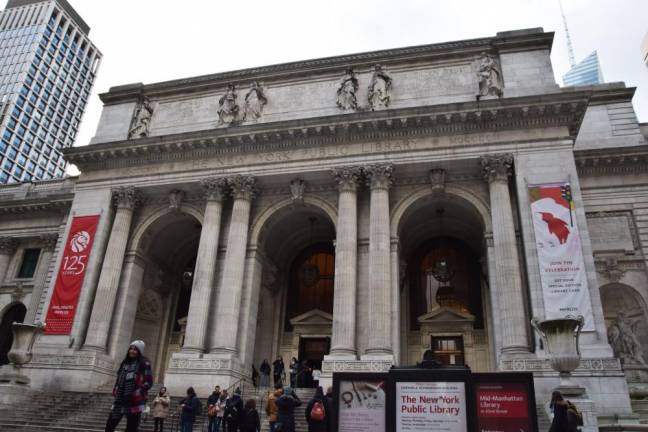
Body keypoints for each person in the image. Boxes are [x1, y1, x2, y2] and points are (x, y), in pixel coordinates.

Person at [105, 340, 153, 432]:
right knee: (109, 427)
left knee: (131, 428)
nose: (132, 351)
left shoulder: (144, 364)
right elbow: (119, 379)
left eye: (135, 349)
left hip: (135, 402)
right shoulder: (124, 363)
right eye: (131, 348)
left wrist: (138, 392)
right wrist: (115, 389)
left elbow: (149, 382)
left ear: (139, 351)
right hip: (120, 400)